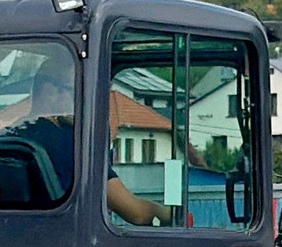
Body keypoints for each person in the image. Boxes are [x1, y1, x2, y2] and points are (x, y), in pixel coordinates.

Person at [19, 57, 173, 226]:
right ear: (53, 92)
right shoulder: (73, 144)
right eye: (77, 90)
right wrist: (177, 216)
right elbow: (136, 212)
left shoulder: (13, 135)